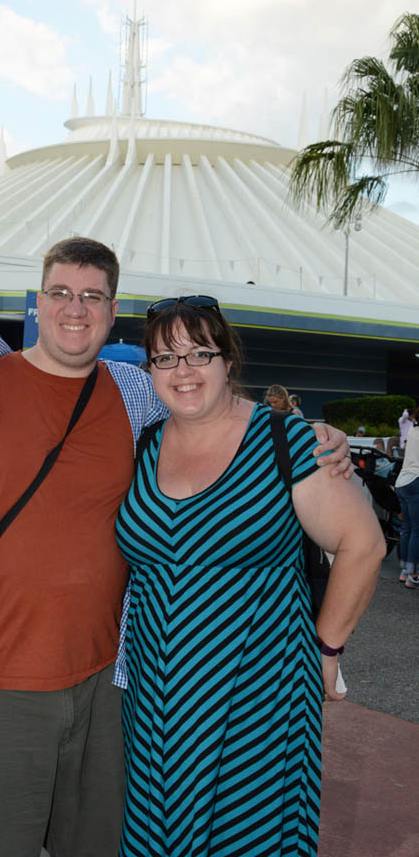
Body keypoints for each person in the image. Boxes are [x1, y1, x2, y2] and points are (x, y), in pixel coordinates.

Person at [0, 238, 353, 857]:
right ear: (40, 302)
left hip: (113, 683)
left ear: (110, 308)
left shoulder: (134, 393)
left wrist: (312, 433)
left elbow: (211, 412)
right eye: (61, 293)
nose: (75, 308)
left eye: (92, 296)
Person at [115, 298, 385, 857]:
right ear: (150, 371)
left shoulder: (286, 441)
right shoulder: (144, 444)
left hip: (256, 698)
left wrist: (326, 649)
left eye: (199, 354)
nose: (183, 371)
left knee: (249, 838)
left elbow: (363, 544)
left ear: (227, 360)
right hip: (154, 700)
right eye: (165, 358)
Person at [395, 412, 419, 588]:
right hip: (416, 481)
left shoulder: (412, 430)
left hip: (402, 482)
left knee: (407, 528)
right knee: (417, 530)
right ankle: (413, 575)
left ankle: (404, 571)